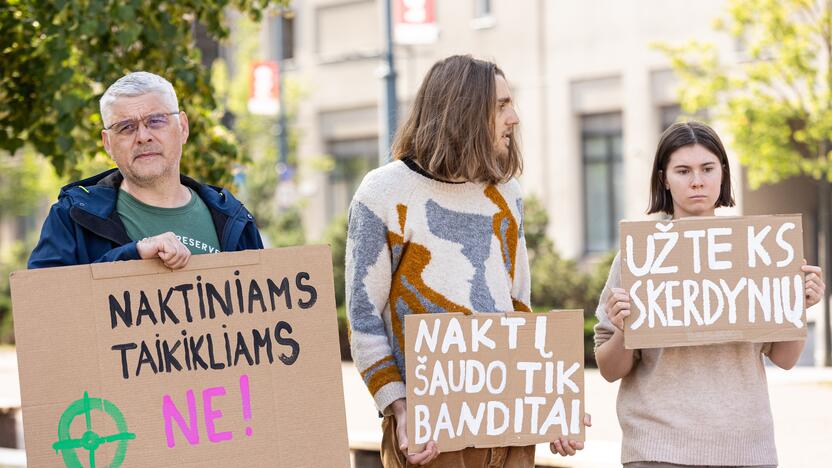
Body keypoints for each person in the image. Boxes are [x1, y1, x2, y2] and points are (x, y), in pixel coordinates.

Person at [346, 55, 588, 468]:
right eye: (501, 106)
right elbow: (363, 318)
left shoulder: (507, 192)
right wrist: (400, 409)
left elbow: (519, 308)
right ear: (462, 110)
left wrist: (551, 405)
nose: (513, 117)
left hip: (508, 429)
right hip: (431, 439)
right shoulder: (383, 192)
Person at [594, 121, 825, 468]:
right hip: (658, 451)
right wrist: (625, 327)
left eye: (707, 168)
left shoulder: (758, 250)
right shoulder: (638, 256)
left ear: (723, 174)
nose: (697, 181)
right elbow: (610, 370)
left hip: (747, 449)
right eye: (683, 171)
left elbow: (785, 358)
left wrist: (799, 307)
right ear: (664, 179)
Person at [28, 71, 263, 269]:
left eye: (156, 121)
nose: (143, 137)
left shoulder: (233, 218)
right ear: (108, 143)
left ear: (182, 127)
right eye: (126, 127)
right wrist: (133, 254)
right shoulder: (72, 217)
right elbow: (43, 305)